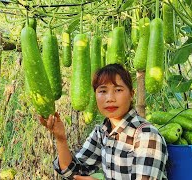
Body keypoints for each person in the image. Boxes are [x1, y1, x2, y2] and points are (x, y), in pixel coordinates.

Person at [39, 63, 168, 180]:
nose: (110, 98)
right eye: (102, 91)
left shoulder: (146, 135)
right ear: (95, 95)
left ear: (131, 94)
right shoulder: (102, 132)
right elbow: (73, 172)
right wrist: (61, 138)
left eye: (118, 90)